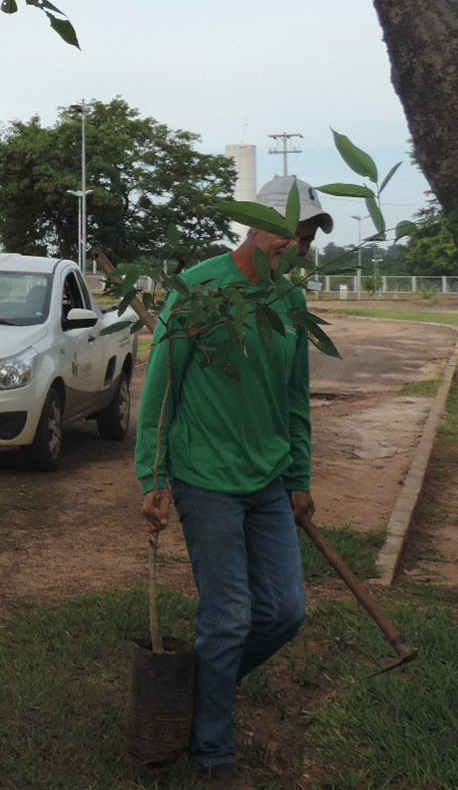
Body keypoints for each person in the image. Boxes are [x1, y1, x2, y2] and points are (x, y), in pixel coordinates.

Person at [136, 175, 332, 790]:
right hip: (206, 479)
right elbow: (161, 389)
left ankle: (200, 692)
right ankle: (212, 749)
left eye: (304, 240)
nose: (296, 249)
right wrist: (154, 473)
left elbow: (295, 396)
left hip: (270, 481)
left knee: (285, 612)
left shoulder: (291, 304)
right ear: (256, 223)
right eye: (291, 234)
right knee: (229, 618)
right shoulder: (198, 289)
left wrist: (299, 475)